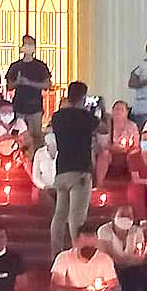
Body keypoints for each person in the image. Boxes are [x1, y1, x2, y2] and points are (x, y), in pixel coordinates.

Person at [49, 82, 98, 256]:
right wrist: (96, 110)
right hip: (79, 171)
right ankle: (78, 253)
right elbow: (103, 127)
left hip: (62, 169)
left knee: (60, 215)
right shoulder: (85, 117)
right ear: (83, 97)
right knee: (76, 217)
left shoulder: (57, 117)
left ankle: (56, 253)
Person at [4, 35, 51, 149]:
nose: (28, 47)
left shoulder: (40, 67)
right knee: (19, 135)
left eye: (30, 44)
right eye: (25, 44)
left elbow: (47, 85)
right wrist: (17, 82)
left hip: (35, 107)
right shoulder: (15, 66)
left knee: (36, 136)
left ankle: (36, 160)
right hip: (19, 106)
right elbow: (9, 86)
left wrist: (30, 83)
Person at [0, 100, 29, 188]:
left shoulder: (20, 122)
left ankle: (34, 180)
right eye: (3, 112)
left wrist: (18, 145)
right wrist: (7, 138)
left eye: (10, 112)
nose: (7, 114)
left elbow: (25, 140)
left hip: (14, 150)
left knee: (27, 153)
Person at [31, 132, 57, 207]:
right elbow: (36, 176)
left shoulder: (63, 152)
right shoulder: (39, 153)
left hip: (60, 188)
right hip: (44, 189)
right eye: (51, 146)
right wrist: (44, 186)